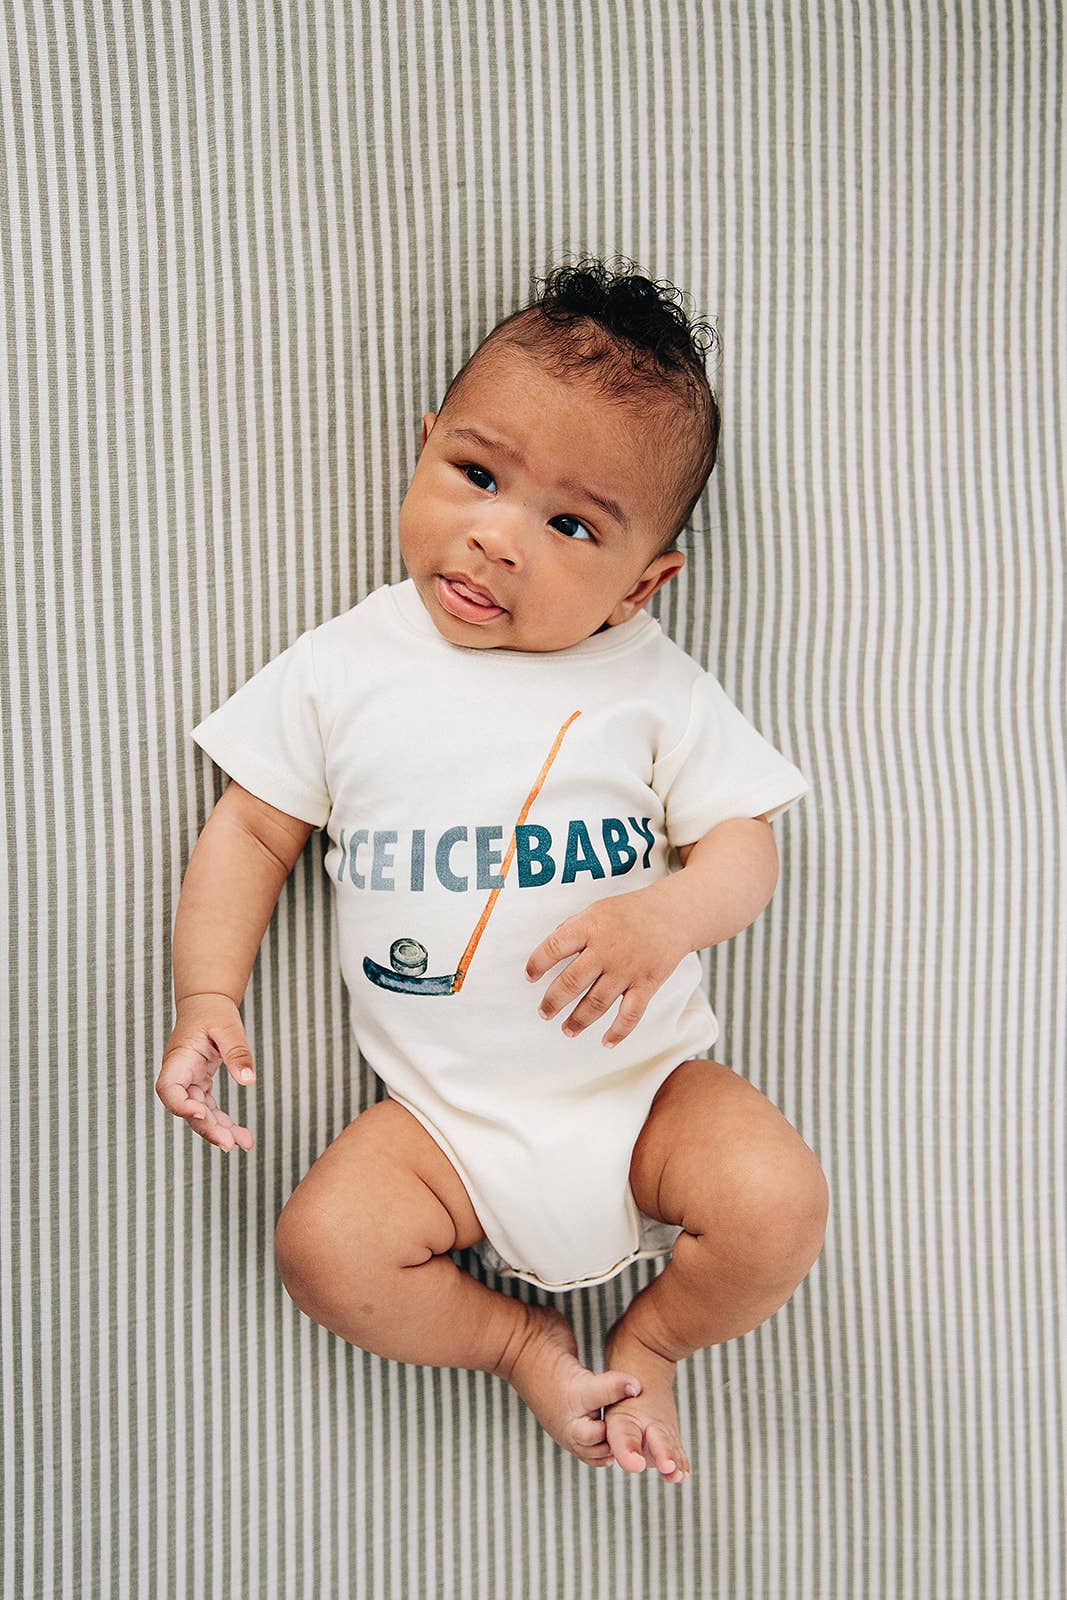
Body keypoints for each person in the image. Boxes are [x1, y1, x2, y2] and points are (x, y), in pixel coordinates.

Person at [156, 257, 829, 1484]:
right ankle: (519, 1345)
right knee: (324, 1249)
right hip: (440, 1126)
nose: (495, 536)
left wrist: (663, 918)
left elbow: (745, 847)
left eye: (570, 526)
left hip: (644, 1095)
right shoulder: (343, 666)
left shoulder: (649, 680)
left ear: (641, 582)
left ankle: (652, 1343)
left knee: (777, 1203)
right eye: (476, 475)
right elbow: (250, 832)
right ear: (424, 448)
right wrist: (208, 994)